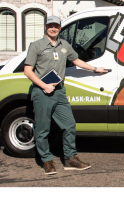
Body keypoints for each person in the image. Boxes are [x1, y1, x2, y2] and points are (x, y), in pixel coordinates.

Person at [23, 16, 109, 175]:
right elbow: (27, 70)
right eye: (50, 26)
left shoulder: (64, 45)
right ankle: (47, 160)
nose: (53, 28)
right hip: (42, 92)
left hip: (59, 91)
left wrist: (95, 69)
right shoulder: (36, 45)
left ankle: (70, 158)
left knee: (69, 124)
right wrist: (43, 86)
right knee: (43, 128)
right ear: (45, 27)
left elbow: (76, 60)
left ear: (60, 28)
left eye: (56, 26)